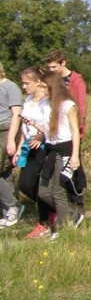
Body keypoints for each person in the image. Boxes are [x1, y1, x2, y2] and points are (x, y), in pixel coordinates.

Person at [45, 49, 87, 224]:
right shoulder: (53, 81)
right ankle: (66, 207)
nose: (52, 69)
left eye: (54, 66)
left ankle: (78, 204)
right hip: (57, 133)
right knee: (63, 172)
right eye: (49, 67)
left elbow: (81, 107)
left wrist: (78, 127)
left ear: (63, 63)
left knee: (73, 171)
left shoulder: (75, 81)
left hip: (72, 131)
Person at [37, 71, 81, 239]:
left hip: (65, 150)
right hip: (50, 149)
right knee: (43, 192)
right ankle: (72, 214)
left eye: (43, 86)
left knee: (58, 191)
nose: (41, 90)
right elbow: (48, 129)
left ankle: (62, 231)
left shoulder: (67, 105)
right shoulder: (45, 104)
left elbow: (74, 131)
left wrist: (74, 155)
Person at [14, 68, 51, 237]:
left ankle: (44, 222)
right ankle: (54, 208)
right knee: (25, 185)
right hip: (28, 146)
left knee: (39, 185)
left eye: (26, 83)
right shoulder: (28, 101)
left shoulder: (47, 102)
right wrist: (19, 148)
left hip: (42, 148)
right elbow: (24, 128)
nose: (24, 86)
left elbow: (51, 127)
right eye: (22, 83)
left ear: (38, 82)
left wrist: (41, 136)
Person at [0, 62, 25, 229]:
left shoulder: (10, 87)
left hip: (7, 130)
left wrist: (11, 140)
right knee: (4, 171)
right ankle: (7, 210)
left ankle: (12, 205)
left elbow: (17, 114)